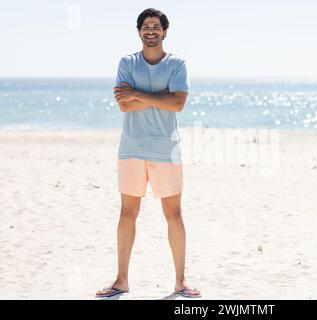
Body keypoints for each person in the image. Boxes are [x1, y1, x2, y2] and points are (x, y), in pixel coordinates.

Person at [95, 8, 201, 299]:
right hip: (131, 148)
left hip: (166, 149)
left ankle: (180, 283)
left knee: (174, 215)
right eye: (145, 26)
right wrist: (158, 98)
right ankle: (121, 281)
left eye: (156, 26)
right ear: (139, 31)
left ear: (165, 32)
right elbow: (124, 105)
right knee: (127, 213)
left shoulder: (177, 64)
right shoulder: (127, 63)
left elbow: (178, 104)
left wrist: (138, 94)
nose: (150, 30)